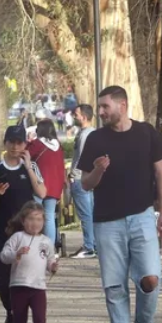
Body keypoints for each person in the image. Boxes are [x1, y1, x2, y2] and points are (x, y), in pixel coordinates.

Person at [77, 85, 162, 323]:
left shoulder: (146, 133)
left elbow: (161, 173)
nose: (101, 112)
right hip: (107, 222)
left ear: (122, 105)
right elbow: (85, 184)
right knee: (114, 285)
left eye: (105, 106)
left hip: (141, 216)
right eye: (100, 107)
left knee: (151, 279)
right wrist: (98, 170)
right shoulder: (94, 138)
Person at [0, 125, 47, 323]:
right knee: (2, 276)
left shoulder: (32, 166)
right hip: (2, 229)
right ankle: (10, 310)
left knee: (26, 275)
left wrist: (28, 167)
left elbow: (42, 193)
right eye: (11, 142)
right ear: (5, 143)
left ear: (25, 145)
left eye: (19, 143)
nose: (15, 147)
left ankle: (20, 316)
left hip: (27, 231)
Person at [0, 201, 59, 323]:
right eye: (32, 219)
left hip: (38, 287)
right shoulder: (18, 237)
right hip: (19, 285)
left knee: (40, 318)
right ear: (23, 220)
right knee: (19, 319)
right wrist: (15, 255)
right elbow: (4, 256)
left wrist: (53, 266)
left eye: (39, 220)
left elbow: (50, 260)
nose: (35, 223)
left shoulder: (46, 241)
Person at [27, 119, 65, 245]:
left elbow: (26, 156)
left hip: (39, 184)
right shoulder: (59, 146)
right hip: (55, 186)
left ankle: (34, 242)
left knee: (34, 214)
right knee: (49, 217)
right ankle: (50, 246)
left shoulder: (37, 144)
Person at [68, 104, 97, 259]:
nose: (74, 116)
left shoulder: (86, 135)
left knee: (85, 214)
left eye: (76, 114)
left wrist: (73, 174)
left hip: (80, 179)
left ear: (84, 117)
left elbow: (82, 157)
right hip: (88, 178)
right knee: (90, 213)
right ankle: (93, 244)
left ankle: (89, 247)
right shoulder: (89, 133)